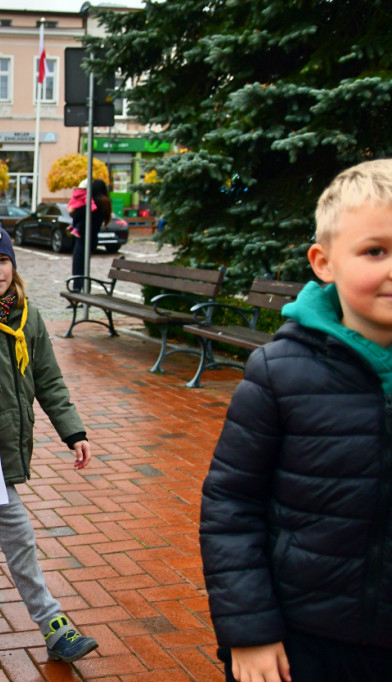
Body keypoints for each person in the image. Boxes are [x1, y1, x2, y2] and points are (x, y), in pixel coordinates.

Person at [200, 158, 392, 682]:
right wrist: (249, 630)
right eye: (376, 250)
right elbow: (231, 503)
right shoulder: (281, 372)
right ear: (324, 262)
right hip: (305, 642)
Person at [0, 215, 99, 664]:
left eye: (3, 259)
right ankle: (52, 624)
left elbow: (49, 378)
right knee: (19, 534)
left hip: (9, 441)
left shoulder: (29, 315)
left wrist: (74, 431)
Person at [70, 179, 112, 291]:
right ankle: (84, 290)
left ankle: (77, 291)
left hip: (83, 237)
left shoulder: (92, 203)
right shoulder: (105, 202)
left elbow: (76, 216)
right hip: (93, 238)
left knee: (78, 265)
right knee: (84, 266)